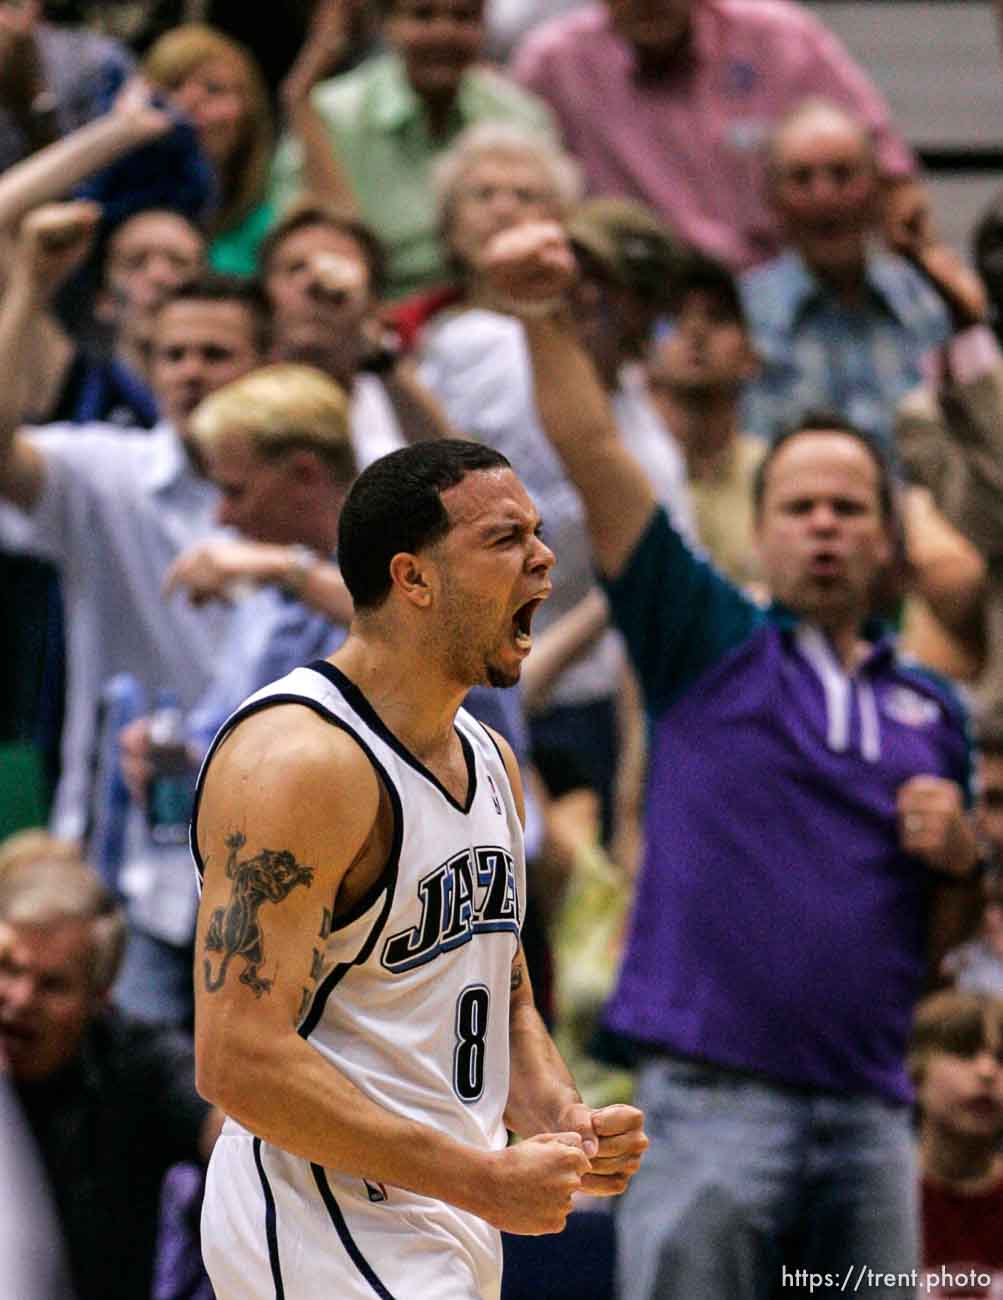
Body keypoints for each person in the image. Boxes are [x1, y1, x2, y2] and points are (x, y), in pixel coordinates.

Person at [479, 219, 986, 1300]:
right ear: (757, 530)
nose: (823, 528)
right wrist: (537, 316)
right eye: (798, 507)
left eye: (848, 508)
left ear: (887, 538)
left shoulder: (932, 706)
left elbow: (942, 947)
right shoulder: (703, 638)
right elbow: (594, 458)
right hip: (712, 1101)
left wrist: (960, 855)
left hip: (866, 1106)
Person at [192, 439, 648, 1300]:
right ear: (413, 578)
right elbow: (235, 1060)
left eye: (538, 533)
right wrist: (477, 1177)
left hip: (445, 1206)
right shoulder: (298, 762)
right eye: (505, 538)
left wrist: (558, 1118)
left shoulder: (489, 757)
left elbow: (498, 984)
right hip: (322, 1212)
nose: (544, 558)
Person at [113, 363, 357, 1028]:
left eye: (235, 490)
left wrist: (286, 568)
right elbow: (232, 737)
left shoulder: (405, 556)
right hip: (223, 900)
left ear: (305, 473)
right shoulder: (268, 588)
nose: (221, 515)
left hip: (345, 935)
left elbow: (413, 639)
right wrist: (175, 753)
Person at [0, 272, 267, 838]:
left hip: (272, 833)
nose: (190, 372)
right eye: (172, 355)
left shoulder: (317, 486)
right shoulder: (103, 471)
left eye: (215, 355)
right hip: (126, 837)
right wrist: (29, 284)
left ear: (268, 367)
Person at [510, 0, 920, 271]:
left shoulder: (779, 36)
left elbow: (892, 172)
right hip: (638, 304)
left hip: (788, 291)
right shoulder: (552, 65)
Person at [0, 849, 220, 1300]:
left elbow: (222, 1132)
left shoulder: (140, 1062)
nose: (20, 999)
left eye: (52, 985)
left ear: (101, 997)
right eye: (9, 970)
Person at [269, 0, 558, 299]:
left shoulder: (520, 115)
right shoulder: (332, 115)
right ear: (387, 26)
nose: (443, 33)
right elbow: (298, 237)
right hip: (369, 306)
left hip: (500, 299)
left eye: (463, 17)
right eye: (423, 15)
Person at [739, 98, 952, 446]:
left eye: (842, 174)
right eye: (801, 178)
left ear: (877, 191)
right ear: (772, 199)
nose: (824, 195)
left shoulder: (930, 302)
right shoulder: (743, 315)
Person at [646, 249, 764, 588]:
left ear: (751, 355)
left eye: (718, 317)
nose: (696, 331)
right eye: (673, 317)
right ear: (641, 350)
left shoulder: (773, 474)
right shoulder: (625, 469)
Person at [141, 23, 275, 275]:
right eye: (173, 85)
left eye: (214, 89)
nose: (188, 102)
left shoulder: (271, 221)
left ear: (249, 115)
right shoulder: (115, 208)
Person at [910, 990, 1003, 1298]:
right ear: (914, 1072)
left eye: (1002, 1059)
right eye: (964, 1052)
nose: (987, 1071)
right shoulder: (870, 1198)